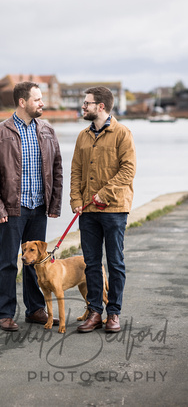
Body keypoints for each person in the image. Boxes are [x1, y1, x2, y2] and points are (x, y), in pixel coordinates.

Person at [0, 81, 63, 331]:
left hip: (39, 207)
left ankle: (35, 309)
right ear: (22, 102)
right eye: (37, 99)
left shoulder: (47, 130)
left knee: (37, 261)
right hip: (12, 210)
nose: (42, 103)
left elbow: (57, 169)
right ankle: (5, 314)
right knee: (8, 261)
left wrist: (54, 204)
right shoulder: (0, 132)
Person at [70, 86, 136, 333]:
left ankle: (114, 313)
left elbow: (128, 170)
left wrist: (103, 194)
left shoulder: (122, 133)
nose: (83, 106)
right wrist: (76, 199)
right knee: (91, 263)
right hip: (87, 211)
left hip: (115, 209)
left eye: (87, 103)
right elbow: (76, 170)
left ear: (101, 107)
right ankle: (95, 312)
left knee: (115, 262)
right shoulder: (82, 136)